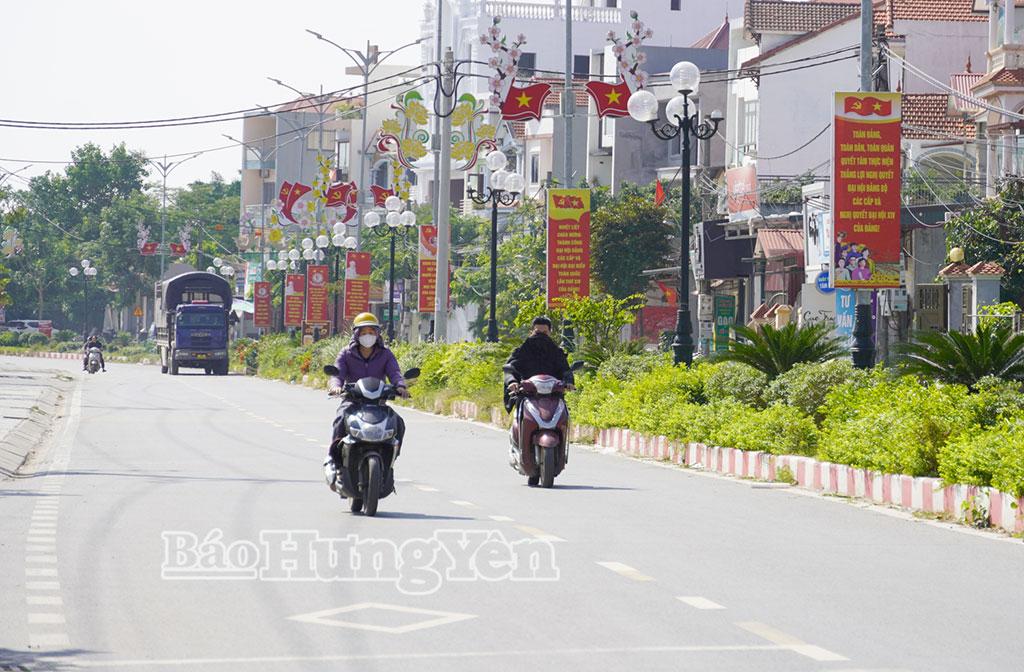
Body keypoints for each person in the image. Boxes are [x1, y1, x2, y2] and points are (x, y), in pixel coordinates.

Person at [326, 312, 409, 466]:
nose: (368, 336)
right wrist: (336, 386)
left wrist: (400, 386)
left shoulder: (386, 354)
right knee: (339, 420)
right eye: (363, 332)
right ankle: (334, 459)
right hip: (352, 401)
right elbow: (337, 374)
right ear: (357, 334)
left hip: (378, 403)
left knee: (398, 422)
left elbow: (395, 373)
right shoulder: (346, 353)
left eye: (371, 332)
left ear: (377, 334)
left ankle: (391, 457)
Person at [503, 316, 575, 412]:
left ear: (550, 333)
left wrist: (569, 381)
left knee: (565, 414)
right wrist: (512, 382)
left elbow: (565, 369)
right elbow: (511, 368)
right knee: (518, 416)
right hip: (528, 396)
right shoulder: (522, 351)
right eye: (537, 333)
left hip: (553, 396)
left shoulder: (557, 352)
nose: (541, 337)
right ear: (531, 332)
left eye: (544, 333)